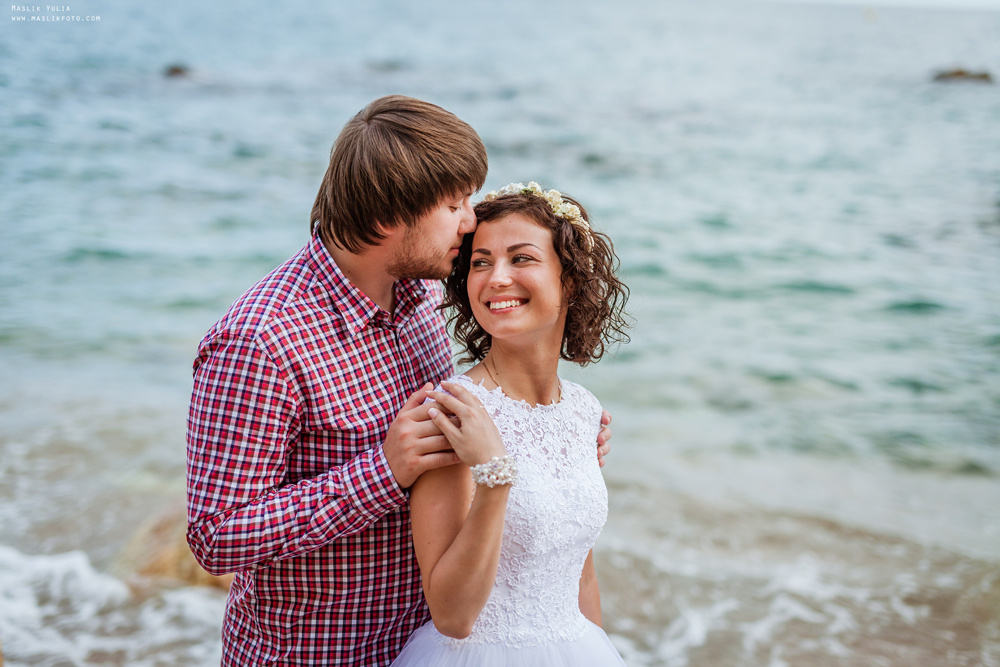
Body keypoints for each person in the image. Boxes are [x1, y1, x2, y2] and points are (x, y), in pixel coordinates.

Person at [185, 97, 613, 666]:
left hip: (429, 644)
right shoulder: (261, 341)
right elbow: (216, 534)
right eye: (456, 204)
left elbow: (491, 408)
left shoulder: (423, 296)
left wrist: (559, 442)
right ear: (389, 217)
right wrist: (380, 473)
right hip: (317, 654)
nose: (471, 220)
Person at [390, 182, 630, 666]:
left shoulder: (584, 410)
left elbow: (579, 575)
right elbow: (453, 615)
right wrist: (494, 473)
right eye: (480, 261)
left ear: (571, 280)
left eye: (521, 258)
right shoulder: (455, 412)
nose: (496, 277)